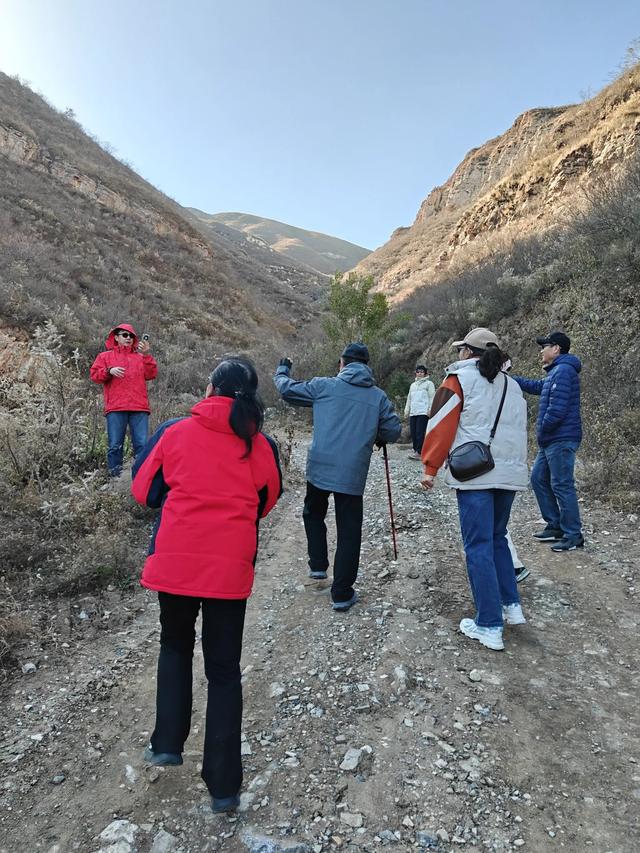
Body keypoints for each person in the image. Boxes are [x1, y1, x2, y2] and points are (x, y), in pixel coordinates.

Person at [131, 357, 282, 813]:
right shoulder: (260, 445)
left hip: (176, 563)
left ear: (210, 387)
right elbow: (266, 500)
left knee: (175, 645)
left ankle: (167, 742)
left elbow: (143, 489)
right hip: (229, 569)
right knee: (223, 670)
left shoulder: (175, 431)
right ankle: (223, 787)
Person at [420, 328, 528, 651]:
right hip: (508, 475)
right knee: (497, 538)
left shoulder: (458, 380)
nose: (458, 356)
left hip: (476, 475)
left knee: (478, 545)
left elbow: (440, 424)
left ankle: (489, 624)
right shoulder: (514, 385)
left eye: (460, 350)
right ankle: (511, 606)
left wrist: (430, 468)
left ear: (468, 352)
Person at [274, 342, 401, 611]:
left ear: (342, 364)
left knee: (313, 513)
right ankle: (341, 594)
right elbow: (392, 432)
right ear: (367, 367)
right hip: (352, 474)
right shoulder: (378, 397)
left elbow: (286, 390)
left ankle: (318, 567)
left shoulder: (324, 386)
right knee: (349, 532)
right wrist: (375, 432)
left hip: (320, 468)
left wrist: (283, 368)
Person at [512, 331, 583, 552]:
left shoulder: (562, 371)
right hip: (552, 439)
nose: (541, 350)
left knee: (562, 484)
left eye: (545, 346)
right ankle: (555, 525)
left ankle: (573, 534)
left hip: (560, 438)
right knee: (538, 479)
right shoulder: (555, 373)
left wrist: (543, 428)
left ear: (556, 349)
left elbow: (557, 410)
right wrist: (510, 379)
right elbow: (536, 387)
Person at [89, 323, 157, 476]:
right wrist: (109, 371)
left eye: (131, 336)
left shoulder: (140, 357)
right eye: (124, 335)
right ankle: (115, 480)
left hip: (139, 408)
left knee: (142, 445)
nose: (128, 338)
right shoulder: (105, 356)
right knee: (115, 446)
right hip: (116, 407)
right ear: (116, 338)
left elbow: (151, 374)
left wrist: (146, 355)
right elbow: (95, 375)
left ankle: (141, 479)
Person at [404, 364, 435, 460]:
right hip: (414, 411)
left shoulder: (429, 384)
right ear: (416, 373)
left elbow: (432, 397)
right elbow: (409, 398)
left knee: (419, 432)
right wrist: (406, 410)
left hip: (423, 411)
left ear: (425, 373)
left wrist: (430, 409)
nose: (420, 373)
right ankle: (415, 449)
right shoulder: (412, 385)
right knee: (413, 432)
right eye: (418, 371)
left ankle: (419, 452)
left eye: (422, 372)